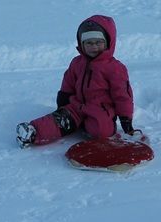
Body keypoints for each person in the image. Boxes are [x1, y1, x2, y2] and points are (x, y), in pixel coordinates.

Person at [16, 15, 135, 148]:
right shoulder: (77, 63)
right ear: (81, 44)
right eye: (89, 43)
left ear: (108, 42)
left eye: (98, 42)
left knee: (102, 132)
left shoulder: (115, 68)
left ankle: (81, 124)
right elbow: (69, 81)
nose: (94, 47)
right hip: (77, 106)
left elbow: (123, 95)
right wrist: (63, 100)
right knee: (59, 120)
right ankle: (32, 132)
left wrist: (126, 119)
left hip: (100, 111)